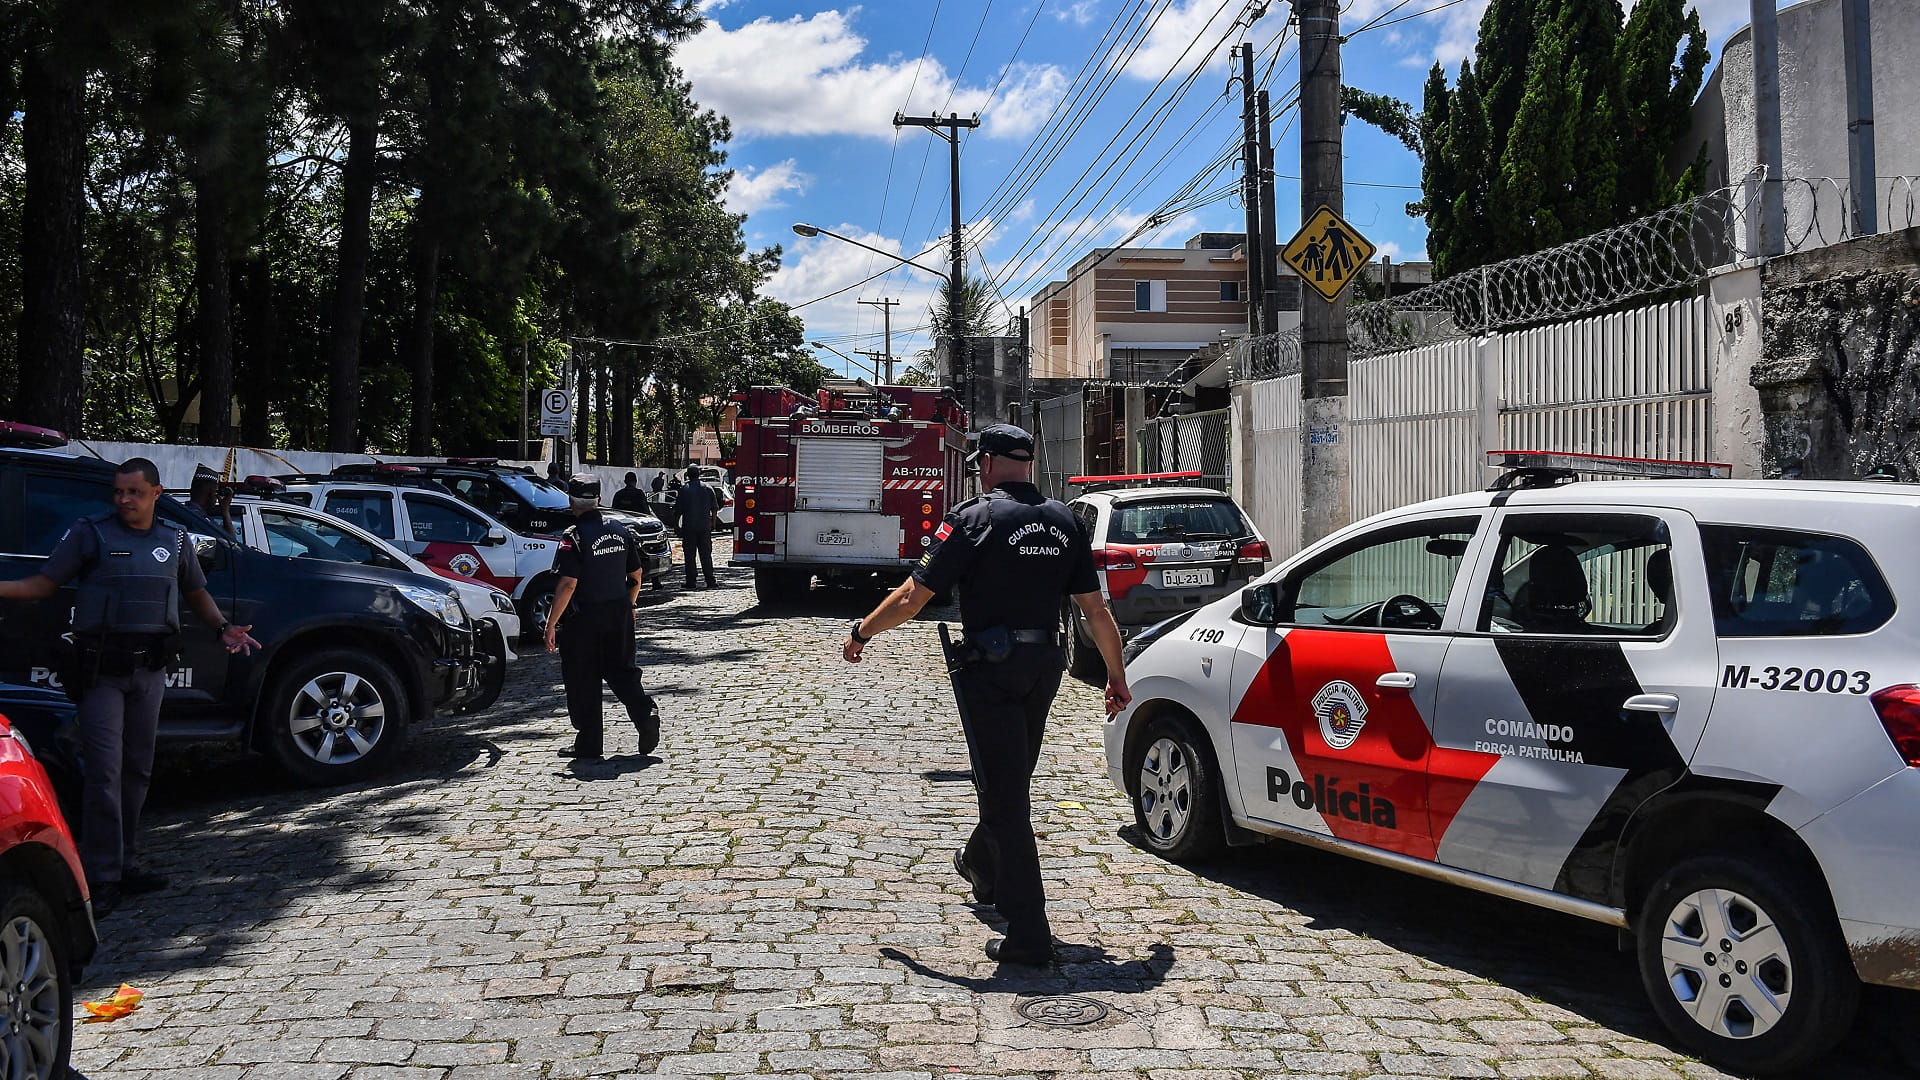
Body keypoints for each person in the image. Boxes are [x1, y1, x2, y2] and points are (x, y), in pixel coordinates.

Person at [841, 424, 1130, 967]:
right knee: (1010, 779)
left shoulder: (973, 519)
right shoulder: (1066, 520)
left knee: (1004, 799)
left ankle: (1029, 935)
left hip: (991, 668)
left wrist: (863, 632)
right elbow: (1096, 611)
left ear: (991, 462)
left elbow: (912, 596)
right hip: (1046, 665)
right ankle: (981, 864)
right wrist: (1116, 676)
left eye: (979, 462)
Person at [0, 458, 260, 916]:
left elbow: (195, 592)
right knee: (103, 772)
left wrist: (223, 628)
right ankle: (100, 877)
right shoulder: (91, 533)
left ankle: (126, 864)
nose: (123, 500)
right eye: (118, 492)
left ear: (156, 493)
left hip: (151, 671)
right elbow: (42, 584)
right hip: (102, 672)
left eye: (133, 492)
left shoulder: (175, 539)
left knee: (138, 770)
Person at [545, 474, 660, 760]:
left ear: (571, 501)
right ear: (598, 499)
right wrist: (631, 606)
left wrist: (550, 624)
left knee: (582, 678)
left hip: (584, 619)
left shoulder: (574, 536)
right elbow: (636, 574)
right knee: (622, 671)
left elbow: (568, 583)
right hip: (618, 612)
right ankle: (645, 714)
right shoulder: (620, 530)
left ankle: (589, 743)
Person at [674, 464, 720, 589]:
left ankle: (691, 581)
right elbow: (714, 508)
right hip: (704, 526)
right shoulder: (708, 488)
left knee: (690, 555)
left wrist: (676, 526)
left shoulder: (684, 490)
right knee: (706, 554)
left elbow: (678, 511)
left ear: (688, 475)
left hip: (689, 526)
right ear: (699, 474)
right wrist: (713, 523)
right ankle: (710, 580)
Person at [183, 465, 236, 538]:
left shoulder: (180, 512)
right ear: (210, 494)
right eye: (215, 493)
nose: (216, 498)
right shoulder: (203, 522)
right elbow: (231, 543)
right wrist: (225, 511)